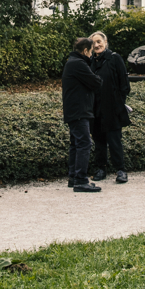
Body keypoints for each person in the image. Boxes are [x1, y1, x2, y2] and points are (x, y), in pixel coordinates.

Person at [62, 36, 103, 193]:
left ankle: (73, 177)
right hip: (80, 111)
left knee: (76, 144)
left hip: (74, 110)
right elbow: (96, 82)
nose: (92, 54)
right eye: (91, 51)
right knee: (84, 143)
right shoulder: (78, 64)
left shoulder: (72, 62)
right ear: (85, 50)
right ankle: (80, 180)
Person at [89, 31, 130, 184]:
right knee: (99, 141)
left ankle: (121, 170)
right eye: (93, 43)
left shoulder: (114, 58)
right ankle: (101, 168)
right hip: (95, 108)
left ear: (105, 42)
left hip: (112, 108)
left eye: (99, 41)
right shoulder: (90, 61)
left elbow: (124, 84)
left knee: (114, 141)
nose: (97, 45)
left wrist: (119, 102)